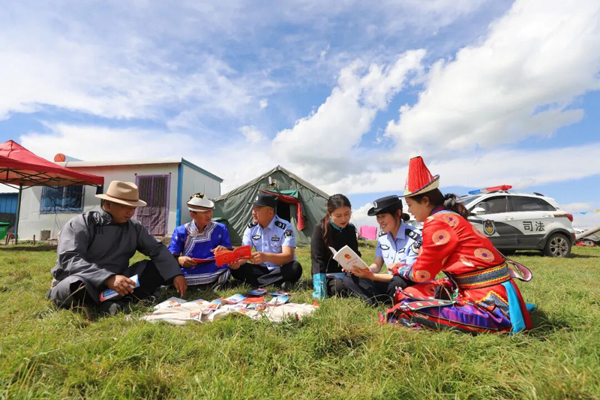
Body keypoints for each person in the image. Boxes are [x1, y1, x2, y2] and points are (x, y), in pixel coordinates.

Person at [384, 156, 533, 333]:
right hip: (492, 290)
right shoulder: (449, 216)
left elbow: (422, 274)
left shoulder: (436, 221)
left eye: (409, 204)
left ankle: (496, 318)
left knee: (405, 309)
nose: (409, 211)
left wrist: (398, 268)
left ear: (425, 201)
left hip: (489, 301)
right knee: (410, 293)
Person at [48, 181, 187, 315]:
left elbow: (157, 249)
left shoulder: (134, 227)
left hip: (119, 282)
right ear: (108, 204)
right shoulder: (80, 224)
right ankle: (112, 303)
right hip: (85, 280)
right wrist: (108, 278)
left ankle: (108, 302)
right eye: (125, 207)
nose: (130, 212)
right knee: (76, 285)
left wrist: (176, 274)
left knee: (156, 268)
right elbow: (70, 259)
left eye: (133, 208)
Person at [343, 195, 421, 305]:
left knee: (399, 282)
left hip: (407, 282)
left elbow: (409, 275)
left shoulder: (415, 237)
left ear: (398, 213)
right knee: (350, 277)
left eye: (383, 216)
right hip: (390, 281)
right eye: (378, 217)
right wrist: (364, 270)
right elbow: (377, 265)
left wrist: (372, 276)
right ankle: (378, 301)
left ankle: (384, 300)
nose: (380, 221)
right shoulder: (383, 237)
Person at [229, 192, 302, 288]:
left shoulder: (285, 227)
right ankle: (277, 283)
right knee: (236, 269)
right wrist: (238, 263)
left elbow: (288, 256)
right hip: (261, 269)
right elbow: (244, 253)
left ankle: (256, 283)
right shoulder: (251, 228)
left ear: (270, 213)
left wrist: (266, 257)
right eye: (253, 208)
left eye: (257, 209)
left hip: (280, 269)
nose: (253, 212)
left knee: (295, 268)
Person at [168, 193, 232, 289]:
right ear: (193, 215)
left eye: (210, 211)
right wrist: (179, 260)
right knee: (172, 275)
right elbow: (170, 255)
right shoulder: (181, 231)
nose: (209, 215)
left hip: (215, 268)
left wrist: (224, 250)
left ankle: (212, 283)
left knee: (226, 271)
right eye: (204, 212)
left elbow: (230, 251)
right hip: (190, 270)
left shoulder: (221, 228)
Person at [311, 194, 359, 299]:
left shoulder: (350, 229)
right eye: (338, 216)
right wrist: (320, 292)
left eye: (347, 214)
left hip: (347, 273)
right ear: (330, 214)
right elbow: (317, 260)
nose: (344, 219)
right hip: (328, 275)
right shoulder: (320, 229)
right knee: (339, 288)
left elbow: (355, 254)